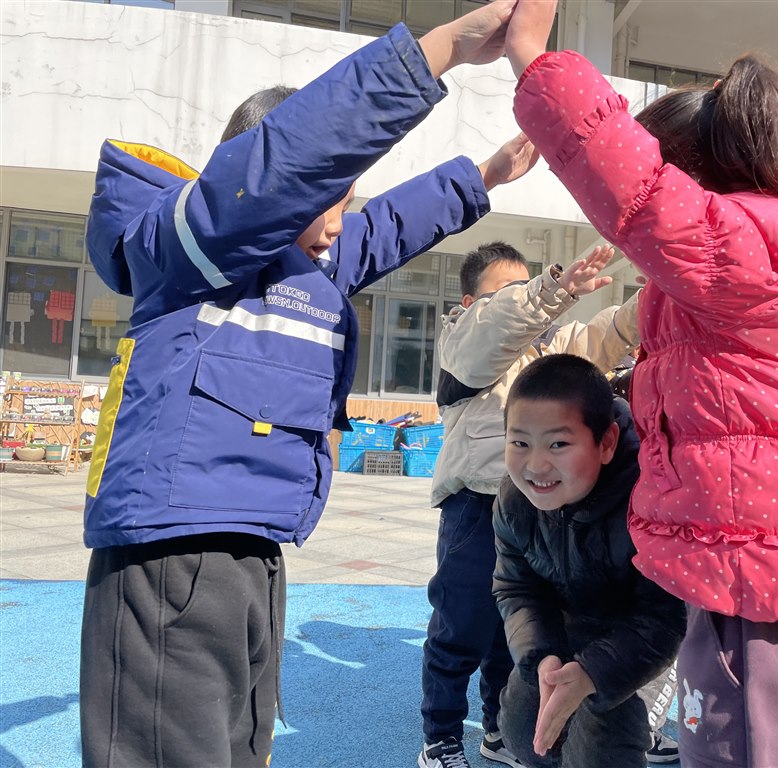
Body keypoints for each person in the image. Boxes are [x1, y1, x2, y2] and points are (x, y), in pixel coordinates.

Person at [77, 4, 538, 765]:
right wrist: (441, 50)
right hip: (173, 546)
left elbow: (389, 227)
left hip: (256, 550)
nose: (342, 217)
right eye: (331, 192)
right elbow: (288, 161)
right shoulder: (188, 246)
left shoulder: (311, 268)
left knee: (240, 747)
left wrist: (483, 177)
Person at [502, 3, 778, 766]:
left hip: (758, 566)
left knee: (738, 750)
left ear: (694, 180)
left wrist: (531, 57)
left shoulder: (738, 247)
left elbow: (634, 188)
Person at [420, 241, 647, 768]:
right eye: (506, 290)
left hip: (536, 511)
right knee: (460, 627)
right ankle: (441, 737)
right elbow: (495, 330)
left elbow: (607, 333)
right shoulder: (462, 342)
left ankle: (497, 727)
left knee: (519, 629)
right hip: (476, 507)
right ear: (469, 300)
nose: (522, 298)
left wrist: (658, 294)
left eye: (525, 287)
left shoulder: (548, 349)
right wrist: (551, 289)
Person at [492, 353, 688, 768]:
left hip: (645, 637)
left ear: (607, 443)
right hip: (570, 626)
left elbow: (667, 618)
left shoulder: (651, 500)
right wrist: (541, 656)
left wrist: (592, 673)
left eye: (558, 444)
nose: (536, 465)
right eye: (520, 443)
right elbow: (516, 588)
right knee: (524, 731)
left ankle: (639, 733)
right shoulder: (513, 502)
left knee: (602, 745)